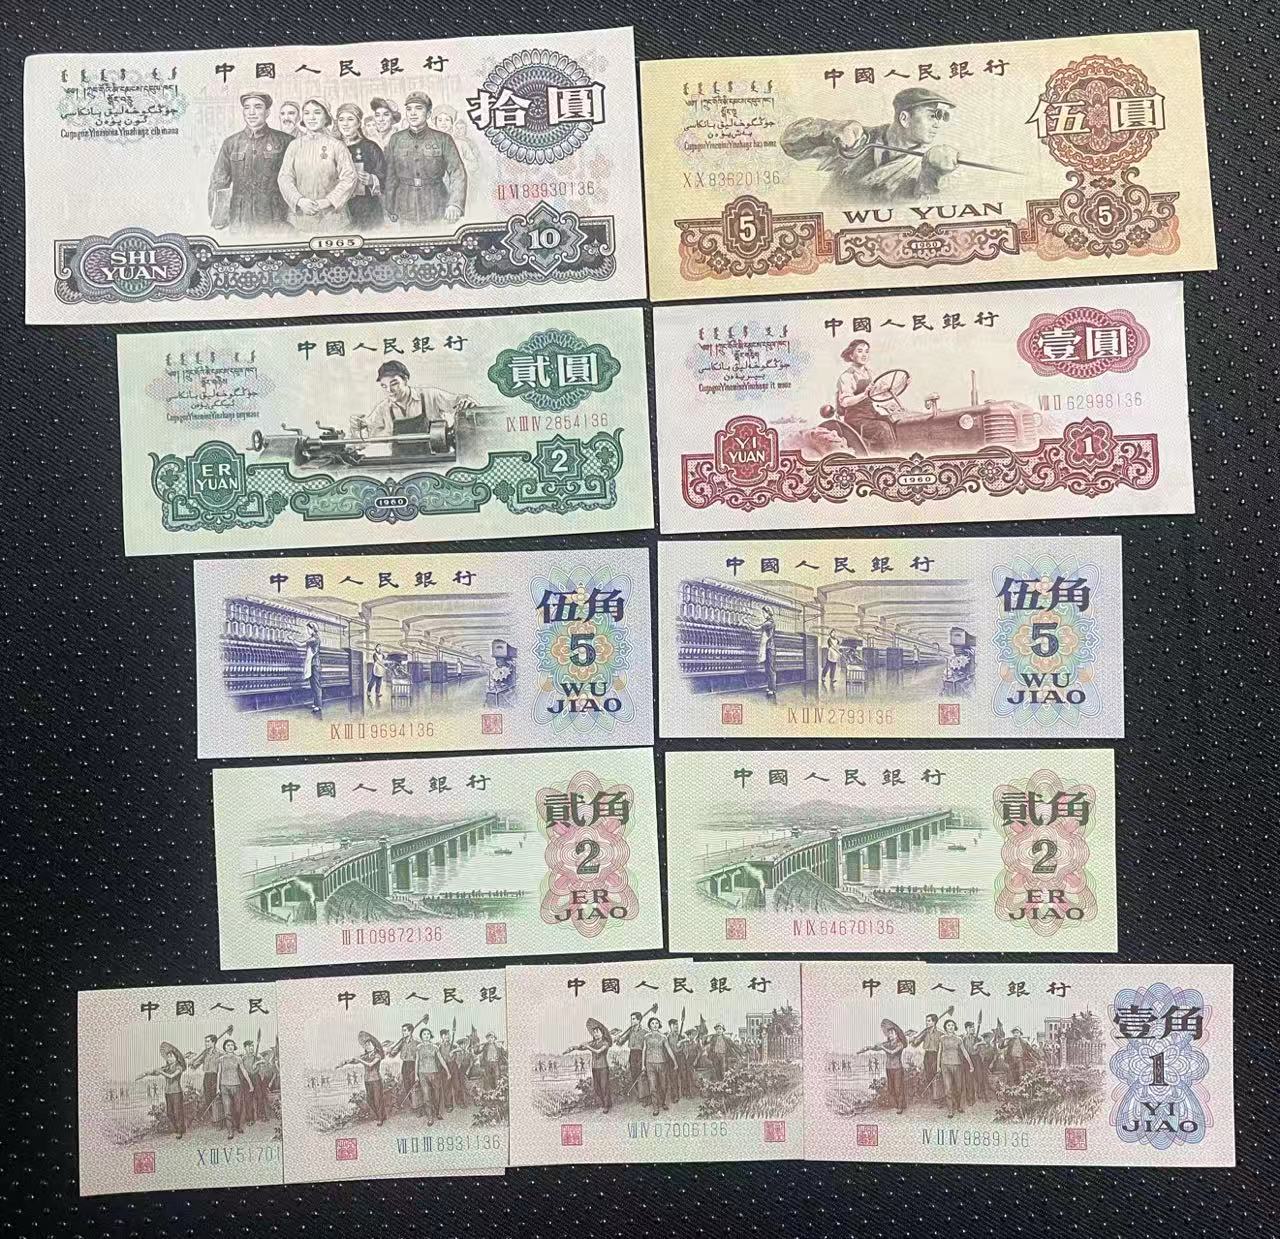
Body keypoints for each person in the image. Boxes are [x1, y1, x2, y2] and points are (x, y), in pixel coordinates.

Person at [780, 87, 960, 205]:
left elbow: (927, 210)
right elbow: (790, 143)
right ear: (904, 118)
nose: (938, 124)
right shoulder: (855, 139)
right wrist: (830, 129)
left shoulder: (934, 165)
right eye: (932, 115)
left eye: (941, 117)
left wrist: (935, 174)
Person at [351, 359, 477, 457]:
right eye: (384, 386)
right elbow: (363, 440)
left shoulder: (430, 395)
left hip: (437, 461)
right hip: (401, 464)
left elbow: (460, 401)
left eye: (394, 384)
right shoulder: (383, 409)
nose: (389, 390)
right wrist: (357, 427)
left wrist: (466, 403)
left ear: (405, 380)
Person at [208, 91, 292, 233]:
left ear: (267, 112)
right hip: (240, 220)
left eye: (258, 107)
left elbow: (295, 181)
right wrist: (218, 218)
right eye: (247, 108)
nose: (251, 112)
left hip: (275, 219)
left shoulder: (285, 141)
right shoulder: (231, 143)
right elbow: (218, 183)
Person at [384, 91, 467, 226]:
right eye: (409, 109)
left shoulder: (443, 139)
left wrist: (455, 204)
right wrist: (389, 206)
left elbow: (457, 172)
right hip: (405, 206)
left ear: (428, 114)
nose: (413, 113)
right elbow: (390, 176)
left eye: (418, 108)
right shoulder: (396, 139)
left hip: (436, 204)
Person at [277, 98, 357, 233]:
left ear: (326, 117)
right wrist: (299, 200)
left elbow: (349, 178)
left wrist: (328, 201)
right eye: (307, 113)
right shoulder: (294, 145)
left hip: (333, 219)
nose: (312, 117)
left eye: (317, 112)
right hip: (301, 219)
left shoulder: (337, 146)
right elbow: (284, 177)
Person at [334, 103, 386, 231]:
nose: (345, 124)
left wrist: (372, 179)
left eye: (350, 119)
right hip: (338, 209)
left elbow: (385, 176)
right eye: (341, 120)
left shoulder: (371, 147)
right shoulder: (332, 147)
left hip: (366, 209)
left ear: (358, 123)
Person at [859, 1019, 908, 1114]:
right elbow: (876, 1048)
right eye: (889, 1033)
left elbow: (892, 1052)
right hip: (888, 1068)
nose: (890, 1035)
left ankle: (900, 1106)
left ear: (897, 1034)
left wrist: (882, 1047)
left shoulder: (900, 1044)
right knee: (891, 1088)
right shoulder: (887, 1044)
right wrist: (867, 1048)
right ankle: (900, 1104)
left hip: (897, 1068)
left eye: (892, 1033)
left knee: (898, 1088)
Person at [566, 1019, 613, 1113]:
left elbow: (598, 1051)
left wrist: (588, 1046)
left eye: (597, 1032)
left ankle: (606, 1105)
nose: (595, 1034)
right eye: (594, 1032)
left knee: (604, 1086)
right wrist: (573, 1048)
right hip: (594, 1068)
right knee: (597, 1087)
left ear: (602, 1033)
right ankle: (606, 1103)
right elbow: (581, 1048)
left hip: (603, 1068)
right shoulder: (593, 1043)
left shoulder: (605, 1043)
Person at [216, 1037, 254, 1140]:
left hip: (236, 1086)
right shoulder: (221, 1059)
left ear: (234, 1047)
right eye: (228, 1045)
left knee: (237, 1109)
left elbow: (244, 1071)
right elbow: (219, 1073)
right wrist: (217, 1088)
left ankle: (238, 1126)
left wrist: (250, 1084)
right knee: (227, 1110)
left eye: (232, 1045)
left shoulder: (238, 1059)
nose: (230, 1047)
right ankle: (230, 1131)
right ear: (225, 1047)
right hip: (224, 1087)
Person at [640, 1017, 676, 1118]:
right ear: (649, 1025)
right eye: (652, 1023)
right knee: (652, 1086)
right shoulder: (646, 1037)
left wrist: (675, 1062)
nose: (655, 1025)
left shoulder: (663, 1037)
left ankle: (663, 1102)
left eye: (656, 1023)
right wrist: (643, 1065)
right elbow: (644, 1050)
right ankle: (655, 1107)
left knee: (663, 1086)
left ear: (659, 1025)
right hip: (650, 1064)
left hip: (662, 1063)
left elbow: (668, 1049)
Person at [937, 1019, 974, 1118]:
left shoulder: (959, 1039)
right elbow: (939, 1052)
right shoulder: (942, 1038)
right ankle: (950, 1110)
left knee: (958, 1088)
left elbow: (965, 1052)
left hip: (957, 1065)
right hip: (945, 1066)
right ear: (945, 1027)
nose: (951, 1027)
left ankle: (959, 1105)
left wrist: (971, 1065)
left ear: (955, 1027)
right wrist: (938, 1066)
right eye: (948, 1025)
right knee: (948, 1088)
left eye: (952, 1025)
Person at [416, 1028, 450, 1123]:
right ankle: (430, 1117)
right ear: (421, 1036)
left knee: (437, 1095)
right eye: (424, 1034)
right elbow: (417, 1061)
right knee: (426, 1096)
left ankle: (437, 1112)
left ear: (430, 1035)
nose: (426, 1035)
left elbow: (441, 1059)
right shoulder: (419, 1047)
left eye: (428, 1034)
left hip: (434, 1074)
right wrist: (416, 1075)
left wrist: (448, 1071)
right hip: (422, 1074)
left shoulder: (435, 1047)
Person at [389, 1021, 423, 1115]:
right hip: (405, 1065)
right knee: (407, 1086)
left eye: (405, 1030)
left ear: (410, 1031)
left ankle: (419, 1108)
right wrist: (390, 1050)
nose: (403, 1032)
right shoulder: (402, 1042)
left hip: (414, 1065)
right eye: (402, 1031)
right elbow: (393, 1054)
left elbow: (421, 1055)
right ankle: (414, 1105)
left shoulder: (417, 1042)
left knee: (415, 1087)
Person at [612, 1011, 647, 1103]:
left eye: (633, 1019)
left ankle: (645, 1097)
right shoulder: (630, 1031)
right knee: (634, 1075)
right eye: (631, 1019)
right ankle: (640, 1096)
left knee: (641, 1076)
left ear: (639, 1020)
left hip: (641, 1054)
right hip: (632, 1054)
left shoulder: (645, 1031)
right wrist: (617, 1039)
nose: (632, 1021)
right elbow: (620, 1043)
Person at [188, 1033, 222, 1126]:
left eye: (208, 1041)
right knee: (208, 1098)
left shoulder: (219, 1053)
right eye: (205, 1042)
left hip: (215, 1077)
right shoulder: (205, 1054)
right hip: (206, 1077)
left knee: (215, 1098)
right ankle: (213, 1118)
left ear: (213, 1042)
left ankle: (218, 1119)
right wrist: (191, 1063)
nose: (206, 1043)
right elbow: (196, 1065)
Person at [155, 1043, 187, 1139]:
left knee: (177, 1112)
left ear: (176, 1058)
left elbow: (171, 1076)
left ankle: (180, 1130)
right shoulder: (167, 1068)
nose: (169, 1058)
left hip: (176, 1092)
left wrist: (161, 1072)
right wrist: (154, 1071)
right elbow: (157, 1073)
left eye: (171, 1056)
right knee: (169, 1113)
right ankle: (177, 1128)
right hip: (168, 1092)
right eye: (168, 1057)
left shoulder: (179, 1067)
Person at [910, 1012, 943, 1101]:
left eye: (929, 1021)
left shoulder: (940, 1033)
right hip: (927, 1056)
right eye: (926, 1021)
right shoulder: (925, 1033)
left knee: (936, 1077)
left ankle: (939, 1098)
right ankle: (932, 1096)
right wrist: (912, 1039)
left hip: (936, 1056)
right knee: (928, 1076)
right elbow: (915, 1044)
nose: (927, 1023)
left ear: (934, 1022)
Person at [355, 1033, 387, 1125]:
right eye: (366, 1045)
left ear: (374, 1045)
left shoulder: (377, 1055)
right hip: (367, 1080)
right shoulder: (365, 1056)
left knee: (377, 1100)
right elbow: (354, 1061)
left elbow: (370, 1065)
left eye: (369, 1044)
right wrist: (344, 1063)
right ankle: (381, 1115)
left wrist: (359, 1060)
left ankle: (380, 1118)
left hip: (376, 1080)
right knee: (369, 1100)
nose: (367, 1046)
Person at [301, 622, 323, 716]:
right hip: (313, 664)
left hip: (314, 664)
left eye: (308, 629)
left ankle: (319, 705)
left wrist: (291, 639)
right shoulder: (314, 638)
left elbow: (300, 644)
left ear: (312, 629)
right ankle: (316, 703)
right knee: (313, 684)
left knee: (316, 685)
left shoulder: (314, 639)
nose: (307, 631)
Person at [759, 606, 777, 701]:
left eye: (764, 613)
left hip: (770, 648)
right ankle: (770, 687)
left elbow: (758, 627)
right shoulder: (768, 622)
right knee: (767, 669)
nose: (763, 614)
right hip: (767, 648)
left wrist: (747, 622)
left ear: (768, 612)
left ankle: (773, 689)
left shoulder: (770, 623)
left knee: (771, 669)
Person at [238, 1041, 259, 1127]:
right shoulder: (242, 1058)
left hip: (255, 1078)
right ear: (245, 1048)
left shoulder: (256, 1057)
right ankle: (249, 1119)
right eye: (249, 1046)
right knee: (247, 1099)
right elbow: (240, 1070)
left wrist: (257, 1063)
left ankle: (261, 1116)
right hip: (246, 1080)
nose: (251, 1048)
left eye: (252, 1046)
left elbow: (264, 1061)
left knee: (258, 1097)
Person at [664, 1019, 685, 1104]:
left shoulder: (681, 1036)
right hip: (671, 1058)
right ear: (670, 1026)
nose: (676, 1026)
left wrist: (681, 1041)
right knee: (673, 1077)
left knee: (683, 1075)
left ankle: (684, 1092)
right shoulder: (667, 1036)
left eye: (677, 1024)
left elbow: (687, 1040)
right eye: (674, 1025)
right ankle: (675, 1096)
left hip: (680, 1057)